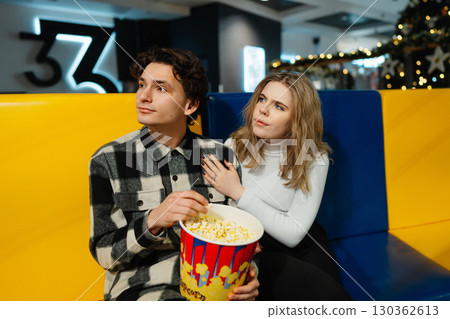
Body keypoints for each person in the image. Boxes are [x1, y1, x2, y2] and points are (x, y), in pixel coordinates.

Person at [88, 47, 259, 301]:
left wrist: (250, 275)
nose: (143, 96)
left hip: (215, 289)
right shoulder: (108, 160)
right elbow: (105, 255)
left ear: (190, 104)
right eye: (142, 84)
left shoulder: (222, 156)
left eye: (160, 88)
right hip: (142, 290)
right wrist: (153, 220)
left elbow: (239, 238)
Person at [201, 72, 352, 300]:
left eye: (279, 106)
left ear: (297, 119)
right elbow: (225, 213)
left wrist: (238, 192)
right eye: (262, 99)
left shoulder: (314, 157)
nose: (263, 110)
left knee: (333, 299)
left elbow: (293, 235)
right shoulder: (235, 145)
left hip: (304, 246)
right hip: (259, 245)